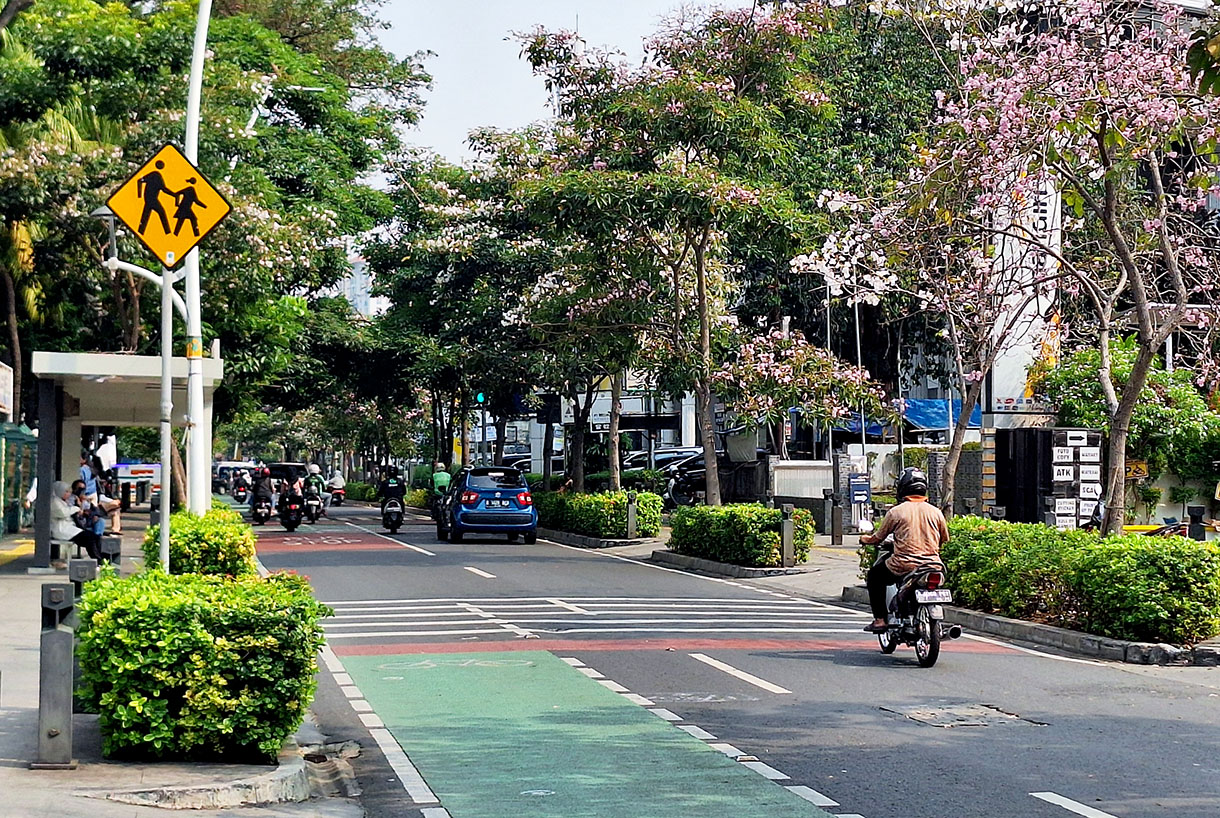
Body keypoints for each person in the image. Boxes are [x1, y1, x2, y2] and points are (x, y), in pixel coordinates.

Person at [858, 467, 949, 634]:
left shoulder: (896, 512)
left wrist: (865, 539)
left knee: (874, 577)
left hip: (903, 564)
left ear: (902, 487)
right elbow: (944, 538)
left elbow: (878, 538)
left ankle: (879, 620)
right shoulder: (936, 512)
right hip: (933, 566)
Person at [50, 480, 101, 560]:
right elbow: (63, 513)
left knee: (95, 537)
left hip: (70, 529)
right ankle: (97, 559)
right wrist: (76, 508)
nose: (68, 494)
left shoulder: (61, 501)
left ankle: (101, 558)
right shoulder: (54, 502)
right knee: (89, 538)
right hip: (62, 530)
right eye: (66, 492)